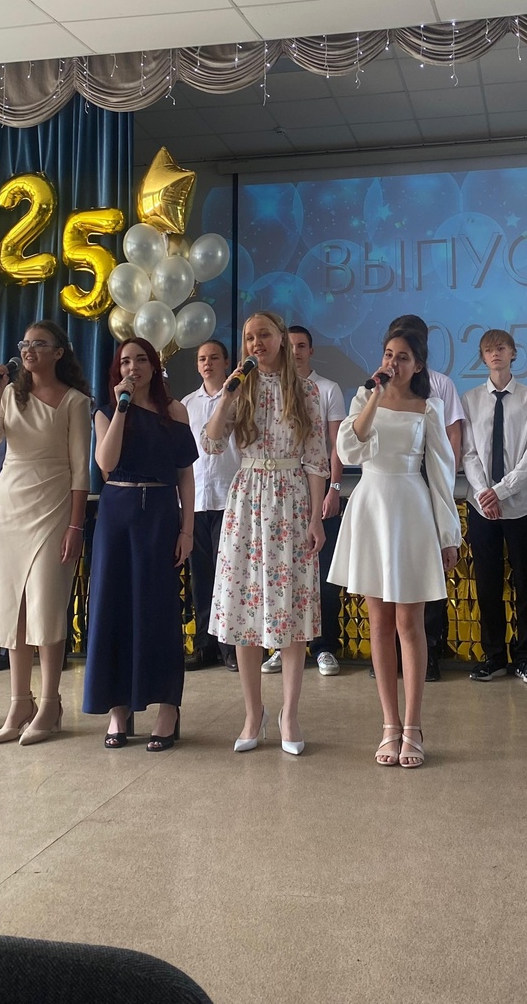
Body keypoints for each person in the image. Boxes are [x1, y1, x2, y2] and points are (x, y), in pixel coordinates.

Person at [329, 328, 459, 768]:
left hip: (410, 510)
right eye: (388, 354)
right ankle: (389, 725)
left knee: (409, 621)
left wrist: (448, 535)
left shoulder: (429, 408)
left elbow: (441, 474)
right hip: (371, 507)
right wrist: (373, 396)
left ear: (418, 365)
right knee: (380, 621)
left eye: (403, 357)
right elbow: (348, 451)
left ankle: (414, 726)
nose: (393, 363)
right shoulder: (362, 399)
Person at [203, 312, 327, 755]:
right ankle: (252, 712)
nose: (257, 343)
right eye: (249, 337)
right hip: (248, 500)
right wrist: (226, 396)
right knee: (245, 610)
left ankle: (289, 713)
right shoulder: (240, 386)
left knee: (291, 609)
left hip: (291, 499)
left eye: (265, 335)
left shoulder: (306, 390)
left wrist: (315, 519)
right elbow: (212, 444)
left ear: (281, 339)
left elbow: (316, 459)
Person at [0, 321, 91, 745]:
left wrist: (76, 524)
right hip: (10, 502)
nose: (29, 350)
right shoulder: (9, 393)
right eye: (25, 343)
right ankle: (18, 702)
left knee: (45, 603)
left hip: (54, 504)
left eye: (39, 344)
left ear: (59, 352)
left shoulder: (75, 401)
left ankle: (49, 703)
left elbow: (81, 470)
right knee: (14, 605)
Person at [83, 338, 197, 752]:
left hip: (161, 514)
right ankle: (118, 709)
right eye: (126, 361)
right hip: (117, 513)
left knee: (159, 609)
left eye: (141, 360)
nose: (134, 367)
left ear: (154, 366)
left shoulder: (175, 411)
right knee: (113, 607)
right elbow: (106, 463)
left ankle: (168, 707)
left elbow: (185, 475)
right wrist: (122, 409)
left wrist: (186, 531)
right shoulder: (106, 411)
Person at [462, 329, 527, 685]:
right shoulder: (469, 399)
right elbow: (468, 452)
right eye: (488, 350)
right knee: (487, 585)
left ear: (513, 353)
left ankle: (525, 658)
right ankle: (494, 656)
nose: (494, 354)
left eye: (501, 348)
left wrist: (500, 491)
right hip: (481, 506)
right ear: (482, 358)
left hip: (520, 505)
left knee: (524, 584)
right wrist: (485, 493)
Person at [261, 324, 345, 679]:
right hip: (274, 497)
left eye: (301, 346)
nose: (294, 352)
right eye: (290, 345)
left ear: (310, 351)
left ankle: (324, 647)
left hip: (315, 490)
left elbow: (334, 445)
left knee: (319, 575)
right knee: (277, 575)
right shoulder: (267, 388)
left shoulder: (325, 388)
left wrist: (333, 489)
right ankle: (280, 646)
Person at [388, 314, 464, 682]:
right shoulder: (374, 390)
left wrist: (446, 485)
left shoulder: (441, 385)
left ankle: (429, 650)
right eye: (392, 349)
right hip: (387, 489)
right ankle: (389, 655)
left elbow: (451, 437)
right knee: (388, 576)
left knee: (422, 575)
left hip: (422, 480)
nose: (395, 360)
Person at [181, 339, 239, 672]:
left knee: (228, 577)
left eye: (214, 357)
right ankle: (205, 646)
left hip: (230, 499)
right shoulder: (187, 404)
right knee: (201, 577)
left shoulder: (239, 398)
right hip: (196, 501)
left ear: (226, 362)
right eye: (202, 358)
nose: (208, 363)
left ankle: (231, 647)